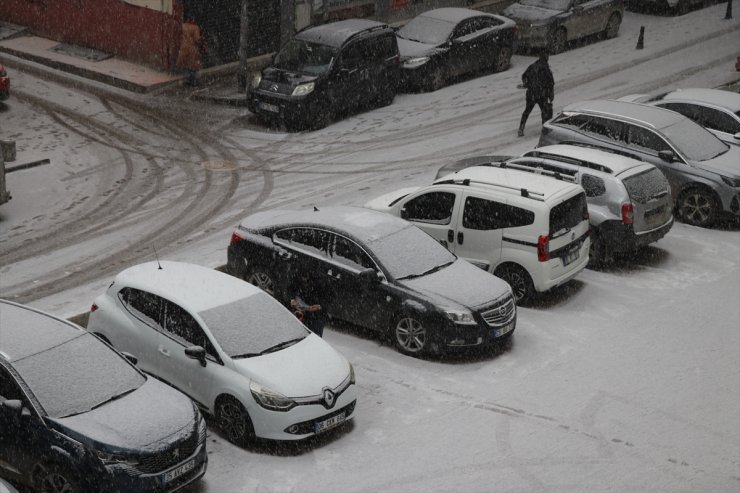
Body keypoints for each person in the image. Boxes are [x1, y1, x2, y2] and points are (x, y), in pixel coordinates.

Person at [518, 50, 554, 137]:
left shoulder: (532, 66)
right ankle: (545, 130)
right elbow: (551, 83)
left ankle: (521, 128)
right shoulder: (546, 68)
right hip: (542, 95)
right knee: (545, 112)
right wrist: (551, 94)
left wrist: (527, 84)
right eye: (547, 56)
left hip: (531, 94)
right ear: (546, 57)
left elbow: (524, 76)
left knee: (527, 111)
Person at [289, 271, 328, 337]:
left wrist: (319, 306)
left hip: (316, 315)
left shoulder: (320, 283)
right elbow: (291, 289)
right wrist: (292, 298)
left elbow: (328, 298)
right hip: (303, 310)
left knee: (313, 336)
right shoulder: (298, 276)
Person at [176, 17, 204, 87]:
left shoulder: (183, 26)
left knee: (185, 64)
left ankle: (187, 80)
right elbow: (197, 39)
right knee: (193, 66)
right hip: (192, 48)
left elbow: (179, 35)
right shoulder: (195, 27)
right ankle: (193, 81)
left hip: (184, 47)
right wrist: (201, 39)